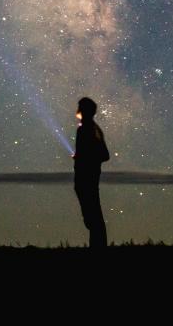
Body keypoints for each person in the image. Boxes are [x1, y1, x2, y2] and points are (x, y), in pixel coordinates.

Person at [73, 96, 110, 248]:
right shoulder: (94, 129)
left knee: (92, 217)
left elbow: (102, 155)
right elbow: (104, 155)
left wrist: (83, 157)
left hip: (85, 178)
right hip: (91, 177)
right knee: (93, 216)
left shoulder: (85, 129)